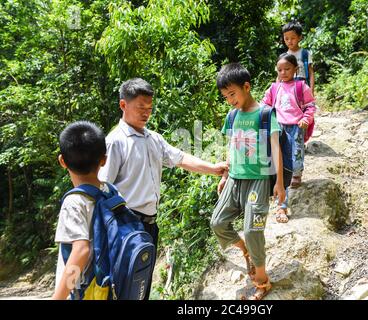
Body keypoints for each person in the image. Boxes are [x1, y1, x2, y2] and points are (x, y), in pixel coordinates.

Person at [98, 77, 228, 300]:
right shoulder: (115, 142)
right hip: (125, 226)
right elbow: (102, 190)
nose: (146, 113)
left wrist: (214, 169)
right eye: (140, 107)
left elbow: (180, 158)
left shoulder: (154, 139)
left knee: (141, 287)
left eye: (149, 108)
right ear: (123, 105)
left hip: (149, 225)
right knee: (124, 287)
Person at [211, 63, 286, 300]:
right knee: (217, 223)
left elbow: (276, 149)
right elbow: (232, 146)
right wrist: (225, 175)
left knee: (252, 228)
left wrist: (280, 184)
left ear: (246, 86)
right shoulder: (232, 116)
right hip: (235, 178)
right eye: (225, 96)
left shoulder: (264, 113)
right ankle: (246, 251)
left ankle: (262, 281)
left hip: (258, 180)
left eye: (232, 94)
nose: (229, 100)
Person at [53, 121, 108, 300]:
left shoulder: (74, 202)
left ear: (62, 161)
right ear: (104, 159)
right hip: (109, 286)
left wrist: (59, 297)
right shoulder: (111, 193)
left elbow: (80, 251)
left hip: (87, 291)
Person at [262, 53, 316, 223]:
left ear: (295, 69)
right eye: (279, 70)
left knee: (297, 160)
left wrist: (306, 119)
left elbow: (310, 106)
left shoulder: (301, 87)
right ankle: (281, 205)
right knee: (282, 166)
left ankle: (297, 173)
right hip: (278, 129)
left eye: (287, 69)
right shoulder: (273, 88)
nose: (283, 72)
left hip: (296, 127)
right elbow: (265, 105)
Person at [281, 20, 315, 95]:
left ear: (299, 37)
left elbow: (311, 73)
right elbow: (279, 76)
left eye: (293, 38)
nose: (289, 41)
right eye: (286, 39)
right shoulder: (284, 57)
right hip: (288, 91)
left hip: (304, 88)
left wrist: (311, 91)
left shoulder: (305, 53)